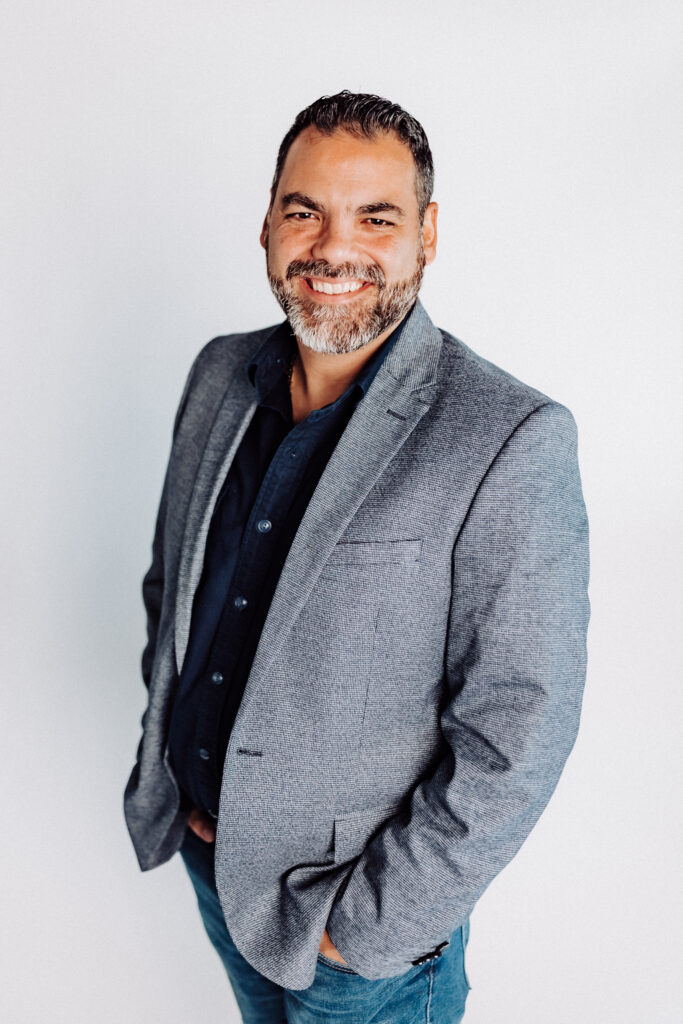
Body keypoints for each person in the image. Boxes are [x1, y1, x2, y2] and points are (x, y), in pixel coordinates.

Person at [123, 90, 590, 1024]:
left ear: (426, 235)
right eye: (305, 212)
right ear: (267, 224)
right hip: (211, 862)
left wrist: (375, 926)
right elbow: (171, 589)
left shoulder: (508, 435)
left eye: (375, 218)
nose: (333, 248)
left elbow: (518, 727)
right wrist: (181, 774)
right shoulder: (219, 375)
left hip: (356, 936)